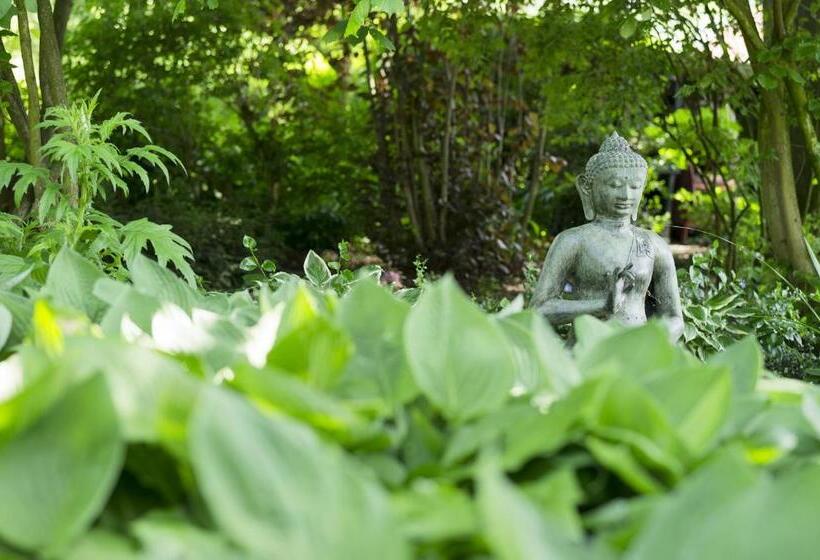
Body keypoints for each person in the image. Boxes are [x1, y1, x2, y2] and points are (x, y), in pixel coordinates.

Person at [530, 132, 684, 341]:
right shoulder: (573, 241)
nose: (626, 195)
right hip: (586, 350)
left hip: (636, 351)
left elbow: (674, 318)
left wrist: (648, 343)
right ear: (587, 187)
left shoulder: (653, 244)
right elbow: (539, 309)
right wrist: (601, 305)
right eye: (614, 185)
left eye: (634, 186)